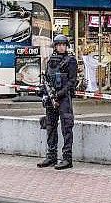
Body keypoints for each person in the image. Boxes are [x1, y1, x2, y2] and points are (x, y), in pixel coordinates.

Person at [37, 34, 77, 170]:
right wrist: (43, 92)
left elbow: (72, 82)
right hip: (51, 98)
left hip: (64, 99)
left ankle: (67, 158)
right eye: (58, 45)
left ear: (66, 46)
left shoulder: (71, 60)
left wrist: (60, 94)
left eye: (63, 45)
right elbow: (47, 78)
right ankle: (51, 156)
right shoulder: (50, 61)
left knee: (66, 128)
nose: (61, 47)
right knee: (50, 127)